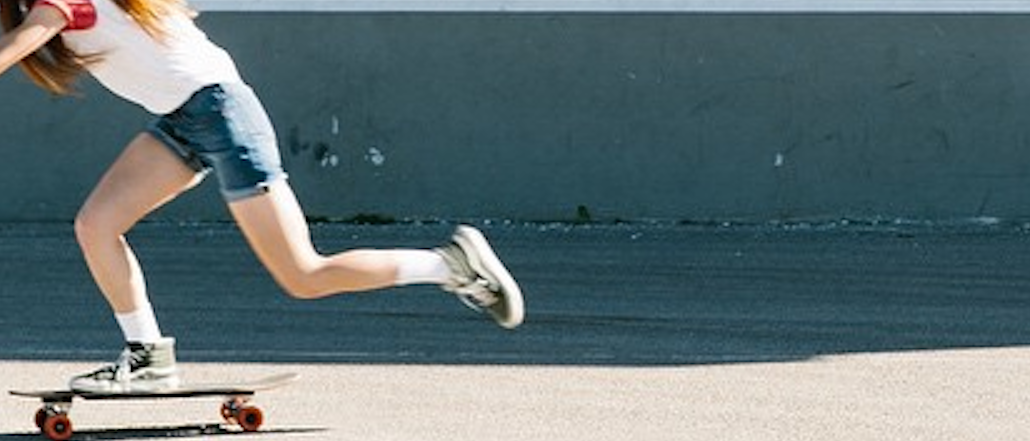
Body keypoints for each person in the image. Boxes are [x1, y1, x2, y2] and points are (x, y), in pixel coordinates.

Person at [0, 0, 524, 393]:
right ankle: (148, 357)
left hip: (221, 114)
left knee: (304, 274)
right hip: (185, 119)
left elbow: (24, 40)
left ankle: (448, 265)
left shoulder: (60, 4)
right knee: (96, 225)